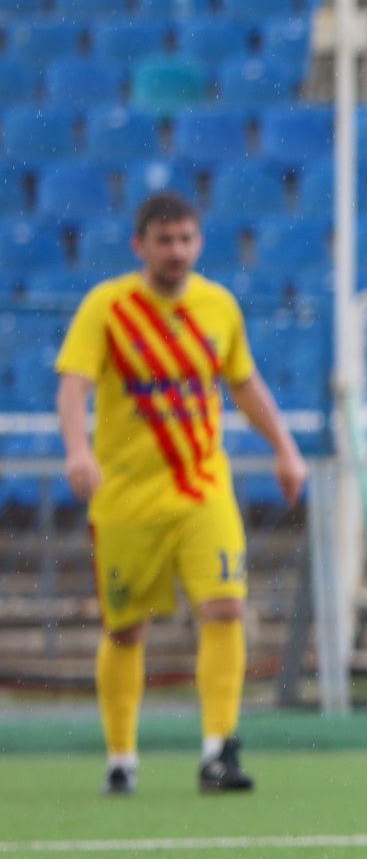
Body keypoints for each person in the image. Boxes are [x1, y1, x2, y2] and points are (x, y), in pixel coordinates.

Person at [54, 192, 308, 796]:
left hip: (202, 487)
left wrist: (285, 447)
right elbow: (73, 386)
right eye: (164, 240)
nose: (176, 252)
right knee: (125, 630)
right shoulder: (108, 308)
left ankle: (219, 750)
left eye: (186, 239)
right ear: (139, 245)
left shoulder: (218, 306)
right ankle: (121, 756)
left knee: (225, 606)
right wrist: (77, 450)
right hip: (127, 497)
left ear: (199, 242)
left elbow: (244, 384)